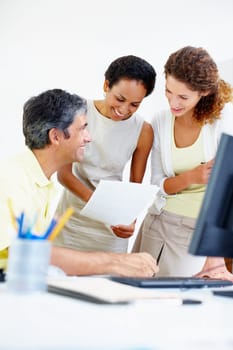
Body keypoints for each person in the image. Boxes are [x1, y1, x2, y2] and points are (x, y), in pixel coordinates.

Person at [0, 89, 158, 277]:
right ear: (56, 136)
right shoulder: (11, 180)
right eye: (82, 128)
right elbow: (24, 252)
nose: (89, 137)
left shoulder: (41, 182)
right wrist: (115, 262)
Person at [132, 46, 233, 281]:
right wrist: (192, 177)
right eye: (168, 92)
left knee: (173, 305)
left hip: (194, 234)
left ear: (204, 92)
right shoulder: (161, 121)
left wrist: (215, 254)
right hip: (157, 223)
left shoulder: (222, 122)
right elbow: (157, 184)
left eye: (183, 97)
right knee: (137, 297)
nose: (173, 103)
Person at [54, 55, 156, 253]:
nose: (124, 110)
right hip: (70, 223)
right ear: (106, 85)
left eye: (135, 104)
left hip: (110, 232)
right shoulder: (76, 112)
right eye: (120, 99)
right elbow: (64, 175)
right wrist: (104, 211)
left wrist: (130, 220)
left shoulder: (143, 131)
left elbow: (135, 188)